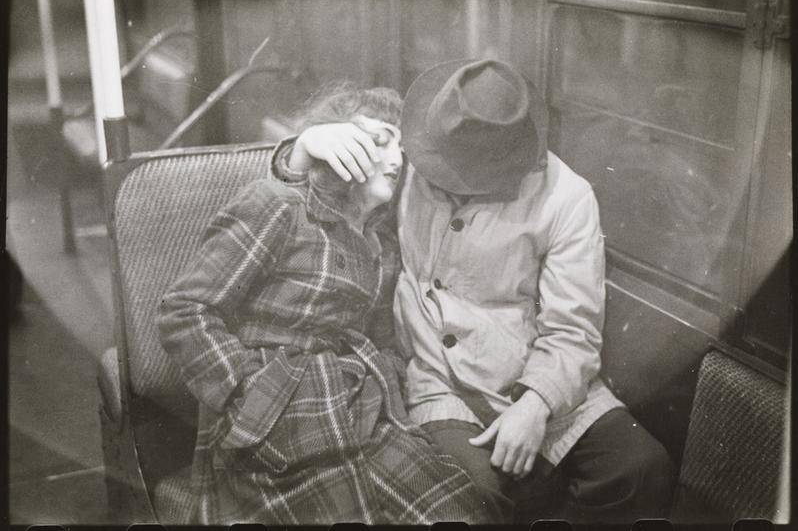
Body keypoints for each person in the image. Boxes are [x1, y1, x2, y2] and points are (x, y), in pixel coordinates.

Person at [272, 60, 676, 523]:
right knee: (468, 496)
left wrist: (537, 403)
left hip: (538, 371)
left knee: (643, 469)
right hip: (439, 381)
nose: (442, 180)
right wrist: (300, 150)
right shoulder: (413, 156)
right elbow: (312, 206)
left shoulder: (568, 196)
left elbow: (573, 329)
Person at [157, 84, 499, 525]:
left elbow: (381, 338)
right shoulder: (281, 207)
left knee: (460, 513)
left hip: (357, 411)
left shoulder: (382, 245)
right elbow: (184, 310)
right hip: (270, 425)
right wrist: (249, 393)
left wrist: (388, 386)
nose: (397, 159)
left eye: (401, 148)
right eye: (380, 141)